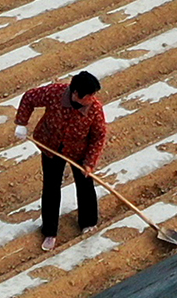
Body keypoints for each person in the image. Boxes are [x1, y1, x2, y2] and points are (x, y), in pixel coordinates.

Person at [13, 68, 107, 251]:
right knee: (51, 187)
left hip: (80, 151)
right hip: (51, 146)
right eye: (89, 95)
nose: (92, 99)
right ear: (76, 94)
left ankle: (88, 223)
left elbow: (98, 136)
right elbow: (30, 97)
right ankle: (50, 231)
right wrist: (22, 123)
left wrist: (89, 162)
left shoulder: (95, 109)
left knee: (85, 185)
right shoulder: (55, 94)